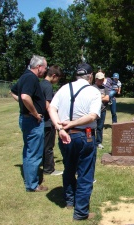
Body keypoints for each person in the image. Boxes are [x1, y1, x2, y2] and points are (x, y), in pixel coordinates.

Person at [48, 63, 101, 221]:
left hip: (65, 136)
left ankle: (70, 201)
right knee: (85, 173)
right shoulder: (93, 91)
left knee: (69, 168)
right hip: (84, 136)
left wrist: (60, 128)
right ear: (90, 76)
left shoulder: (64, 88)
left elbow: (51, 108)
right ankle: (81, 212)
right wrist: (70, 124)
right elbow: (92, 116)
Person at [10, 55, 48, 192]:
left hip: (26, 119)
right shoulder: (31, 78)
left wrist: (24, 105)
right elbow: (25, 97)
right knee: (34, 152)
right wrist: (35, 113)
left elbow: (14, 92)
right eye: (45, 67)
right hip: (33, 120)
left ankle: (30, 181)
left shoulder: (24, 76)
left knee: (28, 151)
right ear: (39, 67)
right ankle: (32, 185)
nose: (45, 70)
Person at [40, 65, 63, 176]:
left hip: (40, 121)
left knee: (43, 145)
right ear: (54, 76)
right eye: (58, 78)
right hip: (48, 121)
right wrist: (55, 121)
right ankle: (49, 169)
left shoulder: (40, 84)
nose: (57, 80)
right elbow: (47, 106)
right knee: (48, 146)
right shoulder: (48, 87)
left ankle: (43, 165)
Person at [93, 71, 110, 149]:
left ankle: (98, 142)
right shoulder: (92, 88)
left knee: (100, 127)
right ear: (96, 79)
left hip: (102, 110)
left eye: (102, 79)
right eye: (99, 79)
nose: (101, 81)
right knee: (92, 127)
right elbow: (91, 98)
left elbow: (107, 98)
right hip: (93, 111)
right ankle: (92, 142)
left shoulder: (105, 88)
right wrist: (102, 96)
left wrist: (100, 97)